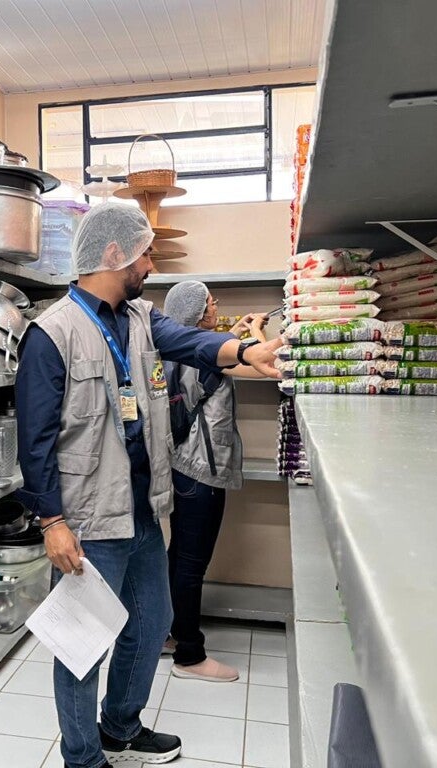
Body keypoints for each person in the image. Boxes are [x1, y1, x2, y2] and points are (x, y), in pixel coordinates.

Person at [15, 203, 282, 768]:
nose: (151, 264)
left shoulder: (139, 318)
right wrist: (51, 522)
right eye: (145, 254)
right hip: (88, 521)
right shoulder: (52, 333)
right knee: (83, 645)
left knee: (152, 622)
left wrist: (246, 350)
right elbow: (34, 442)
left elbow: (191, 343)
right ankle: (82, 756)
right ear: (115, 254)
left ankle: (120, 726)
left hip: (141, 509)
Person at [161, 281, 279, 682]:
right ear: (198, 314)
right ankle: (189, 656)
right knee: (191, 564)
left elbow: (219, 354)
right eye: (211, 303)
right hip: (201, 471)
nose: (217, 306)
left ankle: (167, 633)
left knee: (178, 556)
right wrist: (257, 332)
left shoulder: (179, 350)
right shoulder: (207, 354)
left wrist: (239, 332)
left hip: (183, 466)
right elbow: (260, 362)